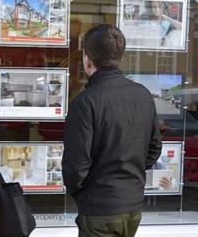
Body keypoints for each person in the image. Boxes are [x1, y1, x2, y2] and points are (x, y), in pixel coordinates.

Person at [62, 24, 162, 237]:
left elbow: (75, 165)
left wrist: (83, 194)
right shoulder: (143, 95)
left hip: (99, 208)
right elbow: (154, 149)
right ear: (121, 58)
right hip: (132, 205)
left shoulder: (85, 102)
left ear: (86, 59)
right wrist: (129, 177)